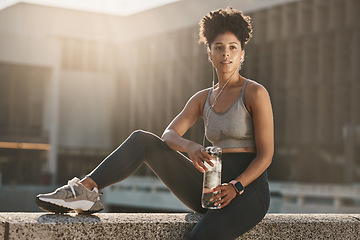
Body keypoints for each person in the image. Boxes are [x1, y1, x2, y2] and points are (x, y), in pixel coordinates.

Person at [36, 7, 274, 239]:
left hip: (247, 190)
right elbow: (169, 134)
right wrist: (190, 147)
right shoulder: (202, 98)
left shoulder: (254, 92)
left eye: (233, 48)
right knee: (143, 140)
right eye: (219, 47)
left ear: (242, 54)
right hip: (209, 187)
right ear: (209, 53)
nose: (226, 54)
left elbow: (266, 155)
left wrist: (236, 186)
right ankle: (85, 191)